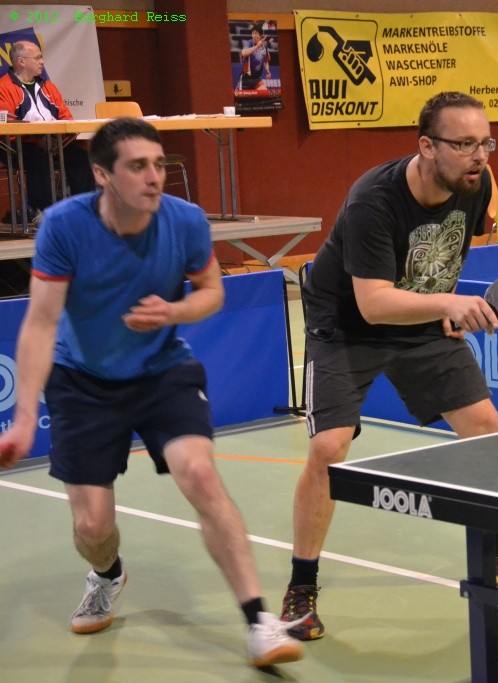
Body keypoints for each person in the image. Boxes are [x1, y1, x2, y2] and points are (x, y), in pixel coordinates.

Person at [0, 118, 304, 668]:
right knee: (93, 527)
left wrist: (174, 312)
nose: (154, 176)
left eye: (159, 164)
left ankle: (259, 621)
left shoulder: (185, 220)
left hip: (163, 370)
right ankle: (107, 574)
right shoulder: (65, 227)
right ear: (102, 175)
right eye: (138, 166)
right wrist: (23, 419)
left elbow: (211, 292)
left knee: (201, 475)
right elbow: (41, 323)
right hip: (83, 380)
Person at [282, 91, 498, 641]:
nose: (479, 155)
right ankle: (301, 585)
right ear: (427, 147)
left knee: (484, 425)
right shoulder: (373, 201)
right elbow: (373, 304)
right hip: (346, 325)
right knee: (329, 448)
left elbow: (446, 253)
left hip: (419, 315)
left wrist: (444, 305)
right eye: (464, 144)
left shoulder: (476, 186)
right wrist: (446, 304)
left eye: (485, 142)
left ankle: (496, 551)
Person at [0, 40, 95, 220]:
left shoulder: (49, 86)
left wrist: (57, 139)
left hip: (53, 143)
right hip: (16, 147)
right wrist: (37, 140)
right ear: (21, 61)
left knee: (81, 157)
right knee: (39, 157)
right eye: (37, 58)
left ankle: (85, 208)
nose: (42, 62)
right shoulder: (3, 87)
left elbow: (66, 118)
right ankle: (44, 211)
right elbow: (7, 125)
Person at [238, 23, 272, 91]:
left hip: (257, 79)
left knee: (264, 92)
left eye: (256, 34)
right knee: (243, 97)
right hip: (246, 78)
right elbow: (244, 53)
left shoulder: (264, 47)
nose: (254, 36)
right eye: (252, 33)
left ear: (261, 35)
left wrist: (267, 71)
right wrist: (257, 46)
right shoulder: (248, 43)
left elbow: (266, 60)